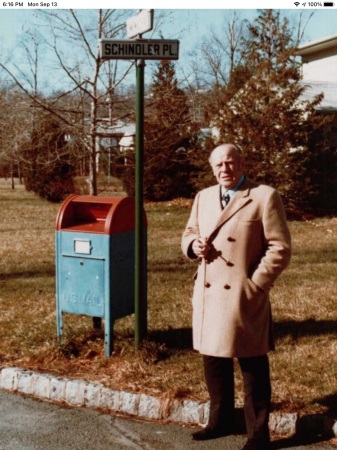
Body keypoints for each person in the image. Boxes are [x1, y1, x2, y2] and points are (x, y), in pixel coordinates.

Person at [181, 143, 291, 450]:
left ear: (241, 163)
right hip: (209, 292)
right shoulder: (203, 197)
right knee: (213, 358)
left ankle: (258, 434)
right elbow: (189, 231)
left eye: (230, 163)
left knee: (252, 362)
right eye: (218, 165)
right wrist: (193, 247)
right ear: (212, 168)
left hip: (242, 294)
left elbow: (280, 248)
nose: (224, 169)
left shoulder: (263, 196)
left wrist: (255, 284)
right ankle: (220, 420)